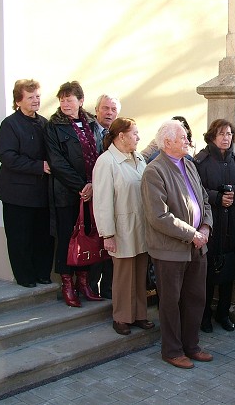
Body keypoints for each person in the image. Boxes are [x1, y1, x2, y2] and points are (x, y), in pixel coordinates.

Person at [141, 120, 213, 370]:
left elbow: (203, 199)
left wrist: (205, 227)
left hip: (197, 245)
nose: (188, 140)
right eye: (182, 137)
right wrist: (192, 233)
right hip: (170, 250)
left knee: (196, 297)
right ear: (167, 142)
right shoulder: (154, 171)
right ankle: (172, 350)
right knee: (170, 301)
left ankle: (191, 345)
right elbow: (158, 216)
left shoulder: (189, 165)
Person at [92, 117, 154, 336]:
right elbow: (102, 202)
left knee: (139, 272)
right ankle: (121, 317)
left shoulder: (138, 158)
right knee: (123, 276)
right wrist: (107, 234)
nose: (138, 137)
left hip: (141, 226)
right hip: (121, 228)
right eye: (135, 133)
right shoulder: (106, 161)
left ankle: (139, 314)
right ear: (121, 136)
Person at [45, 81, 104, 307]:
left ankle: (84, 283)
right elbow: (57, 163)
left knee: (88, 237)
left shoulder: (92, 124)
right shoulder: (54, 126)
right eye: (62, 100)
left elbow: (101, 154)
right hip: (67, 194)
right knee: (68, 240)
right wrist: (82, 186)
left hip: (92, 192)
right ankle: (67, 285)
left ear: (81, 101)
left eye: (69, 99)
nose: (65, 104)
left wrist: (94, 185)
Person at [194, 119, 235, 333]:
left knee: (229, 271)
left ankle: (223, 313)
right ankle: (204, 316)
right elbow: (195, 190)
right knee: (208, 273)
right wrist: (217, 198)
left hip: (234, 223)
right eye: (221, 134)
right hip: (212, 222)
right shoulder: (201, 161)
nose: (226, 138)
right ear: (212, 136)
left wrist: (234, 195)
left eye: (229, 134)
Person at [0, 79, 54, 288]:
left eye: (38, 96)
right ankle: (25, 277)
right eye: (30, 97)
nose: (36, 100)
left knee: (43, 237)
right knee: (20, 237)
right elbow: (8, 156)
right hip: (17, 194)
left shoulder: (44, 123)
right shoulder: (9, 124)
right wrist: (39, 166)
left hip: (42, 193)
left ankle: (42, 273)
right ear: (18, 100)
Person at [89, 94, 121, 300]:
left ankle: (108, 289)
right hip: (90, 195)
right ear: (97, 110)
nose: (109, 113)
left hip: (115, 198)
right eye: (105, 108)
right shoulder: (87, 132)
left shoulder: (120, 133)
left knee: (111, 249)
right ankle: (91, 287)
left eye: (113, 110)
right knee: (94, 243)